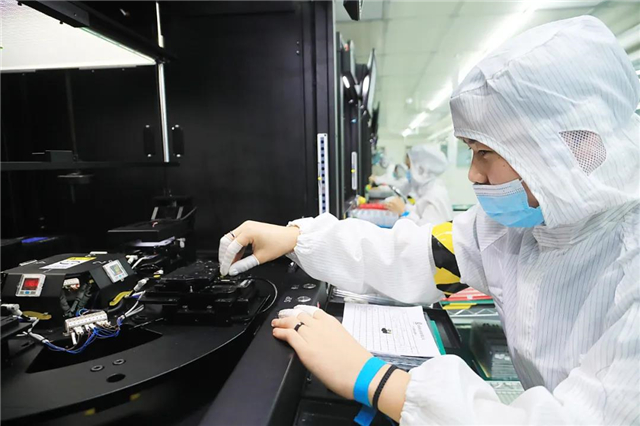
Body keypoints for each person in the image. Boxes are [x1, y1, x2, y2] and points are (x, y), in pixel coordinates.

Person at [218, 16, 639, 425]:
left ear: (564, 149)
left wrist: (376, 380)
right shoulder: (518, 228)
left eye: (484, 152)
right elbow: (415, 255)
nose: (473, 174)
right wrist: (298, 237)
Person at [385, 145, 453, 225]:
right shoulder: (425, 189)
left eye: (409, 167)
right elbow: (417, 211)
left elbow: (425, 230)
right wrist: (403, 208)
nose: (407, 171)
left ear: (421, 169)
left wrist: (403, 212)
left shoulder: (434, 195)